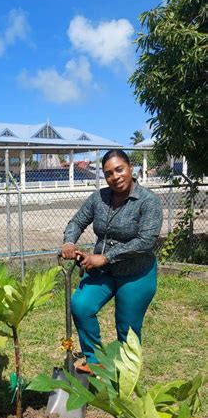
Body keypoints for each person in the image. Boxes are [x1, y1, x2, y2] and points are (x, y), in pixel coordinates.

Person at [61, 149, 163, 373]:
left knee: (127, 328)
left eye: (119, 170)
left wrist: (105, 257)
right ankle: (95, 360)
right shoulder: (99, 198)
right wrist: (69, 242)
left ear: (130, 168)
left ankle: (125, 376)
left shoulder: (148, 201)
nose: (115, 177)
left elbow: (146, 241)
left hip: (136, 273)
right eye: (108, 174)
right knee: (81, 305)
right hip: (103, 272)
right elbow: (77, 221)